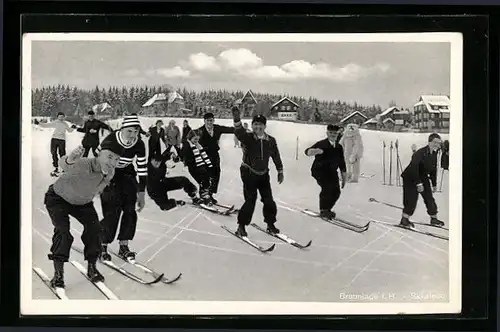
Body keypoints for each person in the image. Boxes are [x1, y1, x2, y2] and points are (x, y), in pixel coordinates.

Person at [44, 140, 124, 289]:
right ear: (99, 154)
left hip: (82, 203)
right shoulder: (83, 163)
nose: (113, 162)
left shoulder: (111, 172)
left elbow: (98, 189)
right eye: (110, 156)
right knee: (63, 232)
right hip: (58, 198)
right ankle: (58, 274)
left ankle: (92, 267)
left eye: (117, 159)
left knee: (94, 230)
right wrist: (70, 158)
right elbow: (64, 165)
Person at [99, 114, 148, 262]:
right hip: (108, 173)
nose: (133, 135)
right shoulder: (110, 141)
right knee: (112, 211)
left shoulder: (139, 144)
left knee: (129, 210)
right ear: (122, 129)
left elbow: (142, 168)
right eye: (130, 131)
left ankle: (124, 245)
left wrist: (141, 192)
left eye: (136, 132)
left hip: (127, 172)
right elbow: (98, 163)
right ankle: (102, 244)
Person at [231, 107, 284, 237]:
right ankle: (241, 226)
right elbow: (239, 133)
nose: (258, 127)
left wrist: (280, 170)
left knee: (269, 200)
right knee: (250, 200)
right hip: (248, 172)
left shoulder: (271, 141)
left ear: (264, 126)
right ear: (252, 125)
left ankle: (270, 224)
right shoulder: (248, 137)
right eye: (255, 124)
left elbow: (276, 155)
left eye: (260, 125)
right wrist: (237, 119)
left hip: (263, 174)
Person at [399, 133, 445, 228]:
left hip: (422, 176)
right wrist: (418, 183)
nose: (437, 144)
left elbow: (433, 169)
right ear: (429, 142)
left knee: (429, 197)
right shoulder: (420, 153)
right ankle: (404, 219)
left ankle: (434, 218)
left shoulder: (435, 153)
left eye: (438, 143)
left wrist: (434, 184)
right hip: (410, 177)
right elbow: (414, 168)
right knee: (411, 198)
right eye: (435, 142)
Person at [304, 124, 348, 220]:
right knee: (327, 188)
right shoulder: (322, 144)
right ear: (327, 133)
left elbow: (342, 163)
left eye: (335, 133)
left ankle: (327, 209)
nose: (333, 135)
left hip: (332, 172)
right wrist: (314, 151)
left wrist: (344, 177)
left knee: (336, 192)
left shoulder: (339, 147)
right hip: (319, 171)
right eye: (331, 133)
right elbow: (307, 151)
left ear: (337, 134)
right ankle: (324, 210)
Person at [196, 112, 235, 203]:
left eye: (211, 120)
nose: (210, 122)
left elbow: (229, 129)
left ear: (213, 120)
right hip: (204, 155)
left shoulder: (217, 128)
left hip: (214, 155)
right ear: (204, 121)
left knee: (216, 174)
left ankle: (210, 194)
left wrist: (241, 130)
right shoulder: (200, 131)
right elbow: (190, 139)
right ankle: (203, 196)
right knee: (205, 175)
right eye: (208, 120)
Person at [34, 112, 77, 176]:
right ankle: (56, 168)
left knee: (62, 154)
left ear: (64, 117)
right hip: (54, 139)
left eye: (62, 117)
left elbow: (69, 130)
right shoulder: (55, 122)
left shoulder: (65, 124)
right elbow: (46, 125)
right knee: (53, 153)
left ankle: (64, 168)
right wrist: (38, 123)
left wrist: (73, 127)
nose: (61, 118)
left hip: (62, 140)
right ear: (57, 117)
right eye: (60, 117)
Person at [182, 130, 216, 205]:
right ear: (190, 138)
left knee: (207, 180)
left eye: (197, 139)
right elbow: (185, 157)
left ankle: (204, 195)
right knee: (202, 181)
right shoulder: (187, 145)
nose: (196, 141)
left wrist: (209, 165)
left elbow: (203, 155)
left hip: (201, 166)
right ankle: (203, 197)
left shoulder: (198, 145)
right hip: (194, 168)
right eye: (195, 139)